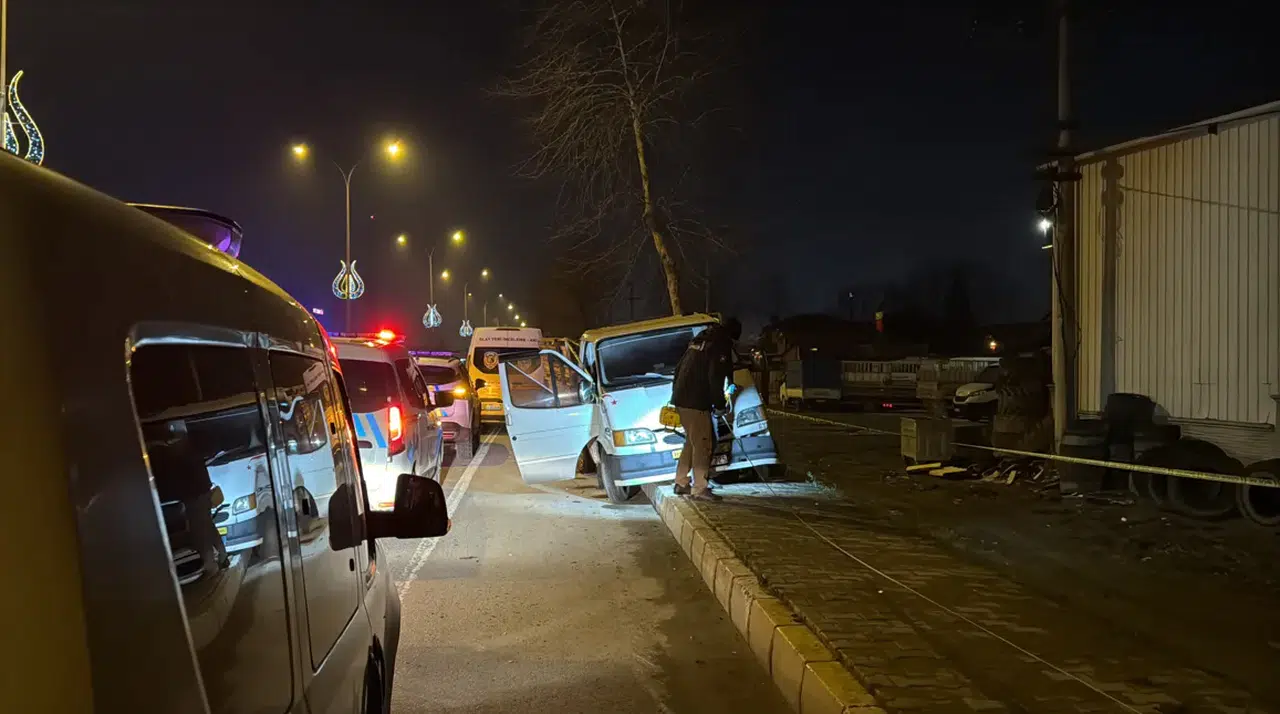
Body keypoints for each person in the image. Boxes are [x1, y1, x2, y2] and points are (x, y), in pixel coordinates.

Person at [671, 317, 742, 501]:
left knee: (691, 442)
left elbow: (678, 370)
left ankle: (681, 482)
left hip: (681, 399)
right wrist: (719, 405)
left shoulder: (700, 341)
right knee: (703, 444)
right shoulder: (719, 345)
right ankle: (700, 488)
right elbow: (715, 377)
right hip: (696, 402)